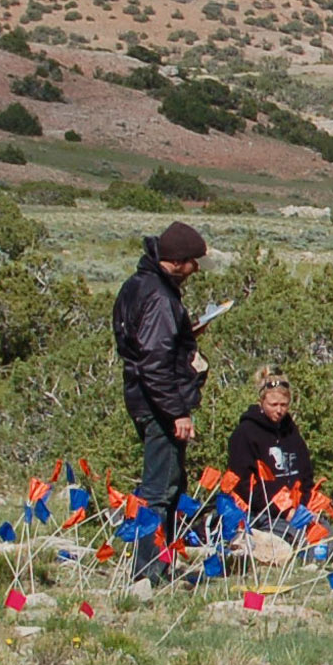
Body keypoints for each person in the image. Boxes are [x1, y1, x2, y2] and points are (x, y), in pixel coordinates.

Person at [112, 221, 208, 587]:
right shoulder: (161, 298)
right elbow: (154, 362)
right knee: (160, 489)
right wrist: (177, 412)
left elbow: (139, 345)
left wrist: (184, 334)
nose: (195, 269)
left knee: (165, 484)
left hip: (140, 397)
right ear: (178, 261)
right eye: (192, 262)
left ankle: (156, 566)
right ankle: (148, 574)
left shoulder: (137, 284)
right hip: (158, 406)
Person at [225, 366, 314, 536]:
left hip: (297, 509)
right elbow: (244, 484)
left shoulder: (292, 432)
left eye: (284, 405)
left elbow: (306, 474)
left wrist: (304, 505)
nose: (279, 410)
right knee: (294, 539)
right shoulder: (245, 433)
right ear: (261, 402)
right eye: (273, 405)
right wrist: (284, 510)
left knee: (326, 539)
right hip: (262, 513)